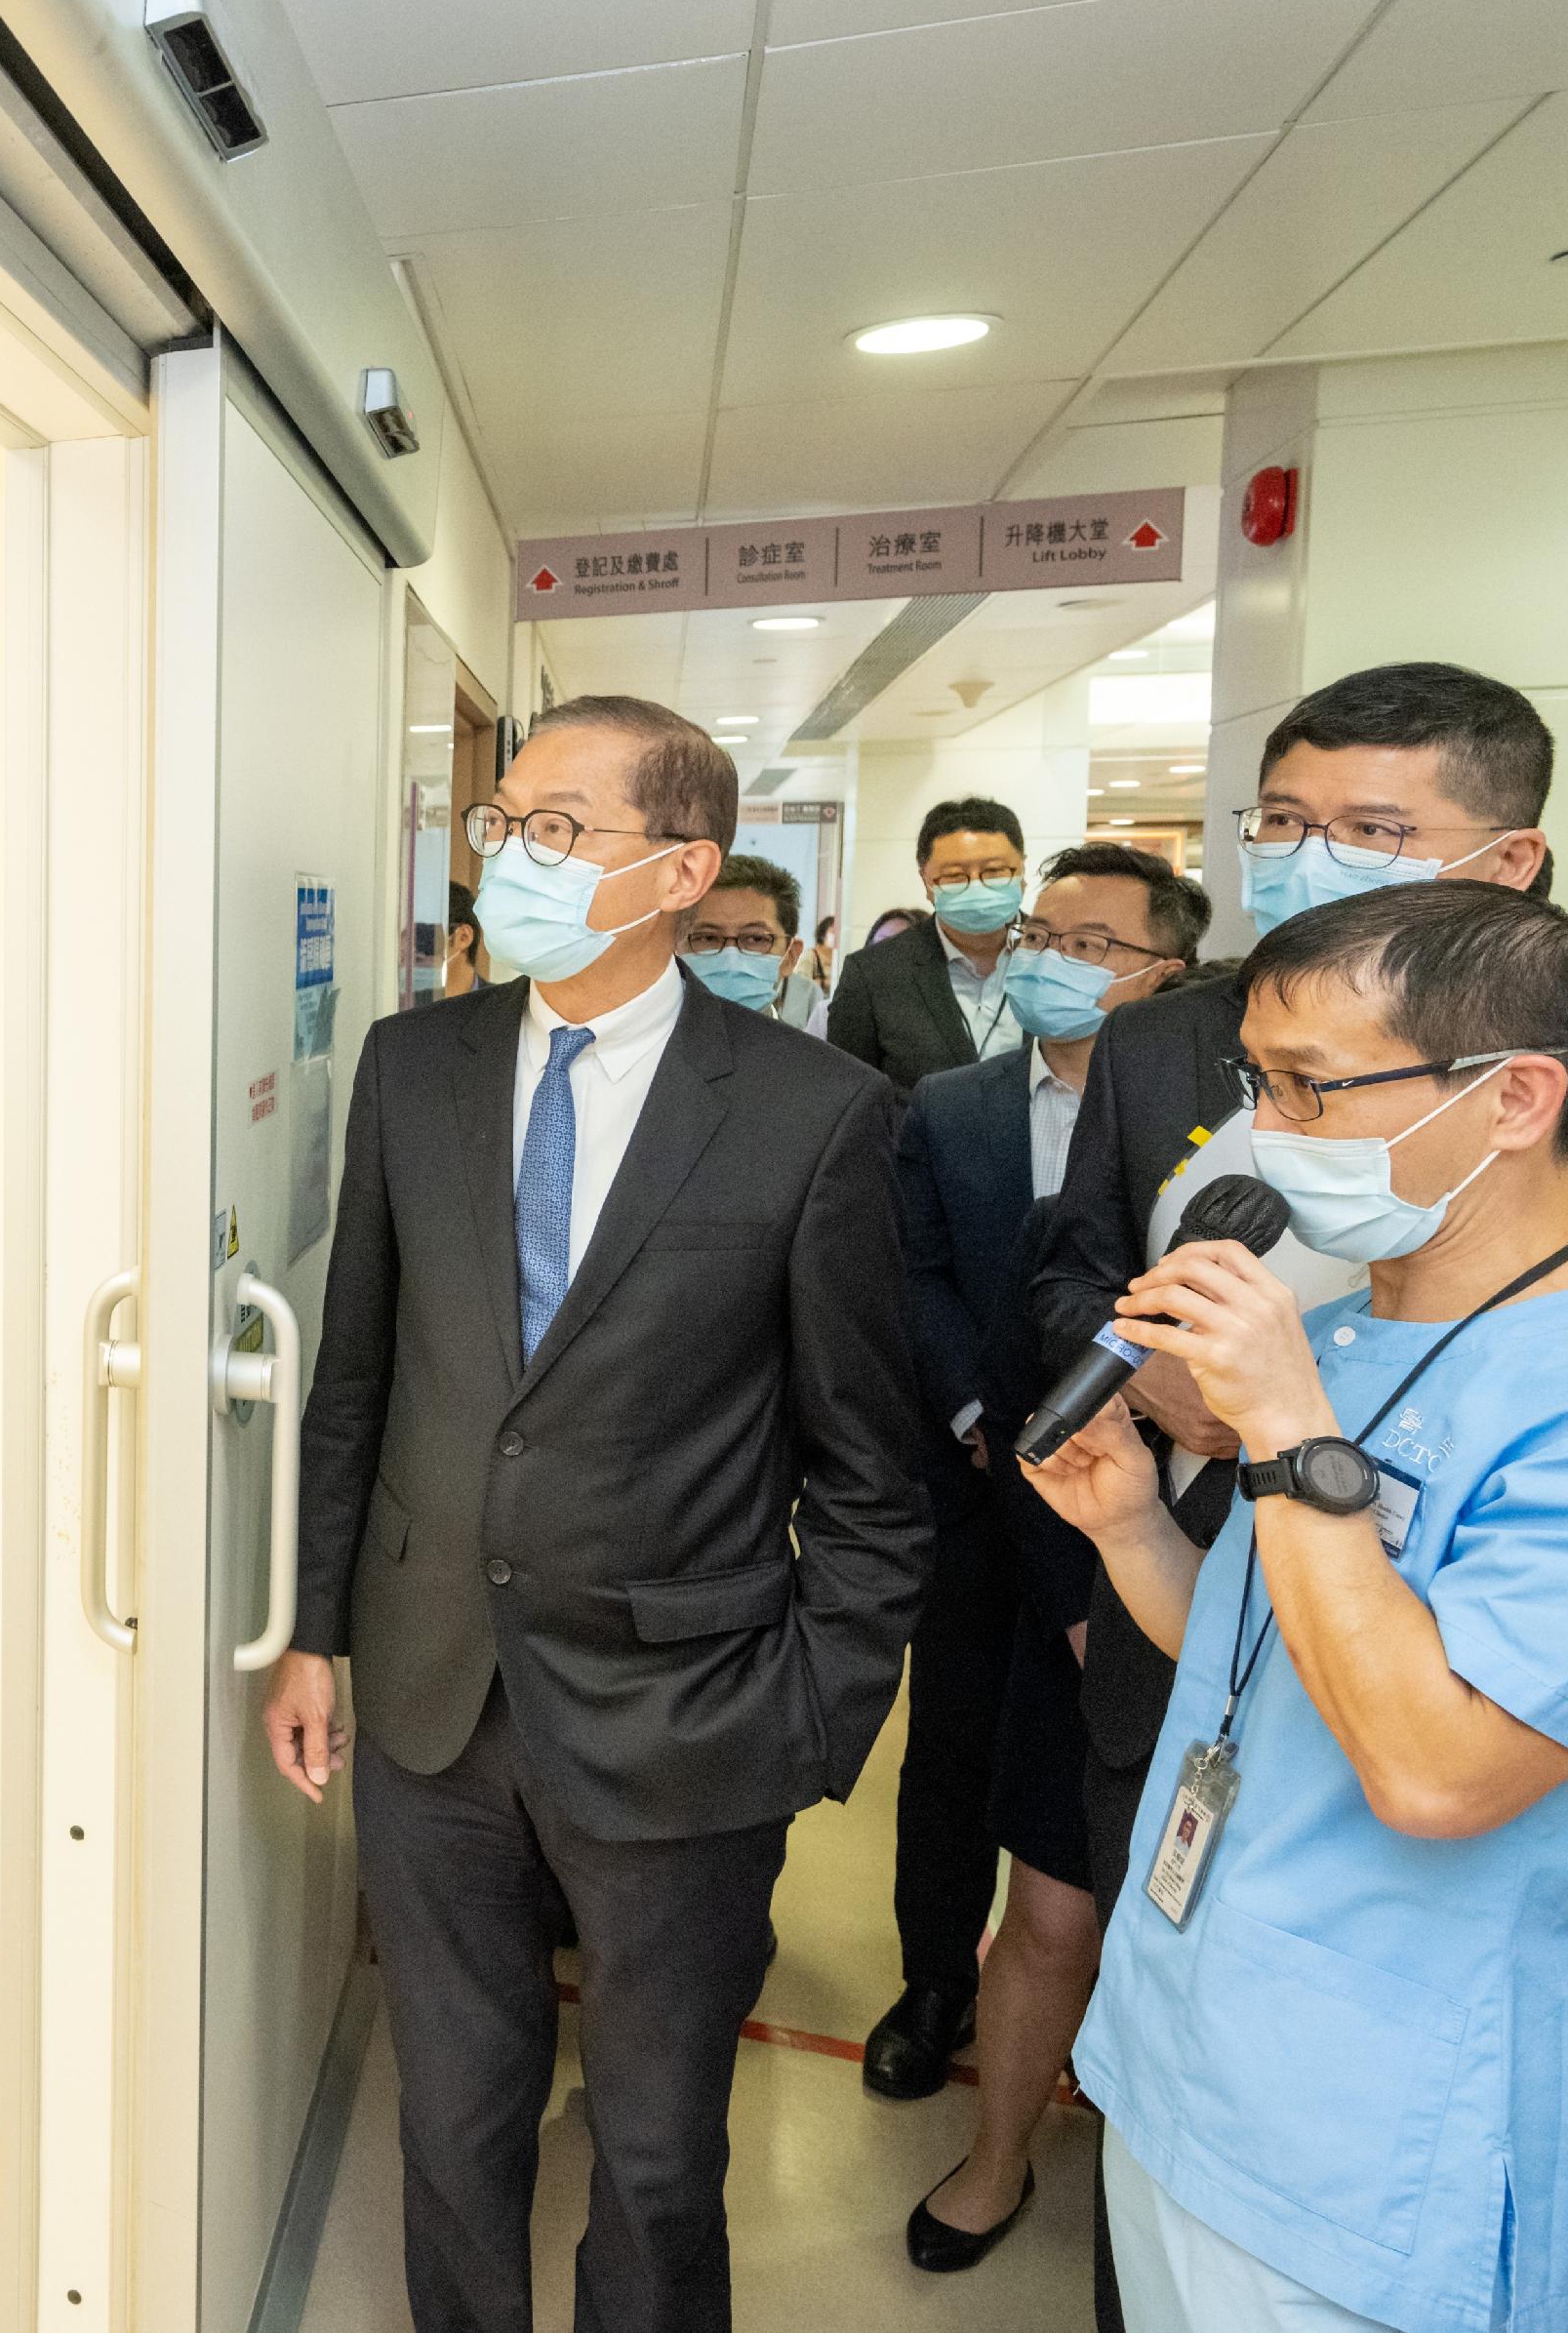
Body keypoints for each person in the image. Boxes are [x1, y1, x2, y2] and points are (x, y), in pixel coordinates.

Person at [1026, 662, 1568, 2329]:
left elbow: (1436, 1768)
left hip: (1383, 2148)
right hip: (1187, 2057)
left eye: (1311, 1092)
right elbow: (1262, 1658)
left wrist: (1288, 1447)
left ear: (1515, 1099)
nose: (1263, 1132)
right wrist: (1131, 1526)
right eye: (1255, 1083)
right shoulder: (1353, 1340)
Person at [262, 695, 932, 2333]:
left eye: (562, 828)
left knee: (650, 2151)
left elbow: (869, 1469)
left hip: (685, 1713)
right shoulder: (415, 1066)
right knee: (454, 2112)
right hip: (432, 1689)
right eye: (505, 825)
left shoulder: (809, 1111)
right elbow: (356, 1372)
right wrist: (315, 1634)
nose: (512, 857)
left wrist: (809, 1722)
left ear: (681, 868)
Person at [876, 845, 1203, 2272]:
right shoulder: (949, 1106)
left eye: (1093, 938)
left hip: (1157, 1522)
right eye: (1041, 931)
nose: (1050, 952)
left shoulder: (1210, 1118)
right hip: (989, 1490)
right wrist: (970, 1411)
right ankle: (935, 2002)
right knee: (966, 1764)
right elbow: (929, 1280)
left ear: (1168, 980)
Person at [828, 797, 1028, 1089]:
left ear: (1022, 871)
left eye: (994, 871)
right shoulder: (873, 974)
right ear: (926, 882)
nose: (975, 885)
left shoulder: (1060, 955)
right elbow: (847, 1092)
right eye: (954, 876)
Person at [678, 851, 820, 1028]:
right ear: (675, 948)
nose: (730, 958)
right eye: (708, 937)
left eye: (755, 938)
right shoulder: (643, 1052)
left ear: (790, 956)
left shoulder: (806, 1056)